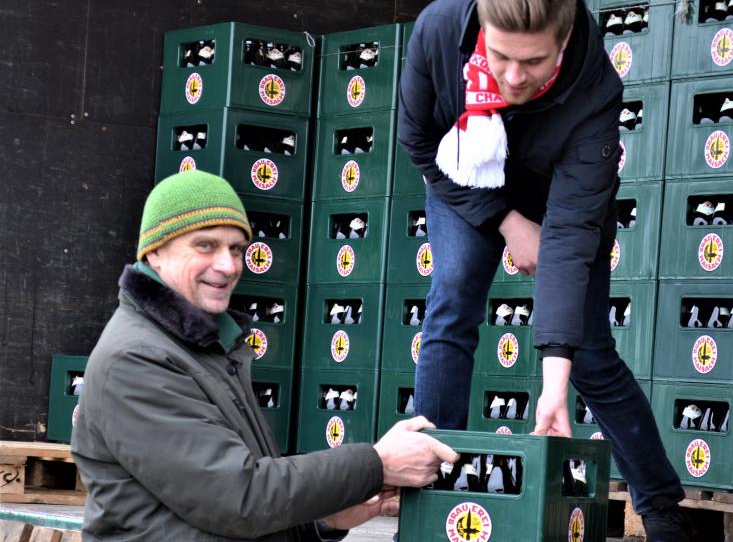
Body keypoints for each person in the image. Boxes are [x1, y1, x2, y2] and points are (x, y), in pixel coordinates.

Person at [397, 0, 691, 540]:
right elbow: (418, 142)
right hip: (465, 176)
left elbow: (574, 230)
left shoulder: (596, 90)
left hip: (563, 201)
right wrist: (508, 223)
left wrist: (554, 388)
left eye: (532, 61)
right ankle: (429, 492)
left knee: (590, 351)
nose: (512, 77)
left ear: (565, 38)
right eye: (500, 55)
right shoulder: (438, 31)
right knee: (454, 294)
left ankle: (662, 509)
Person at [71, 170, 458, 541]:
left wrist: (323, 521)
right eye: (205, 245)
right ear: (155, 253)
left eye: (237, 249)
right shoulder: (137, 360)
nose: (227, 265)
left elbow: (224, 509)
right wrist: (376, 464)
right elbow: (238, 497)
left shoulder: (205, 347)